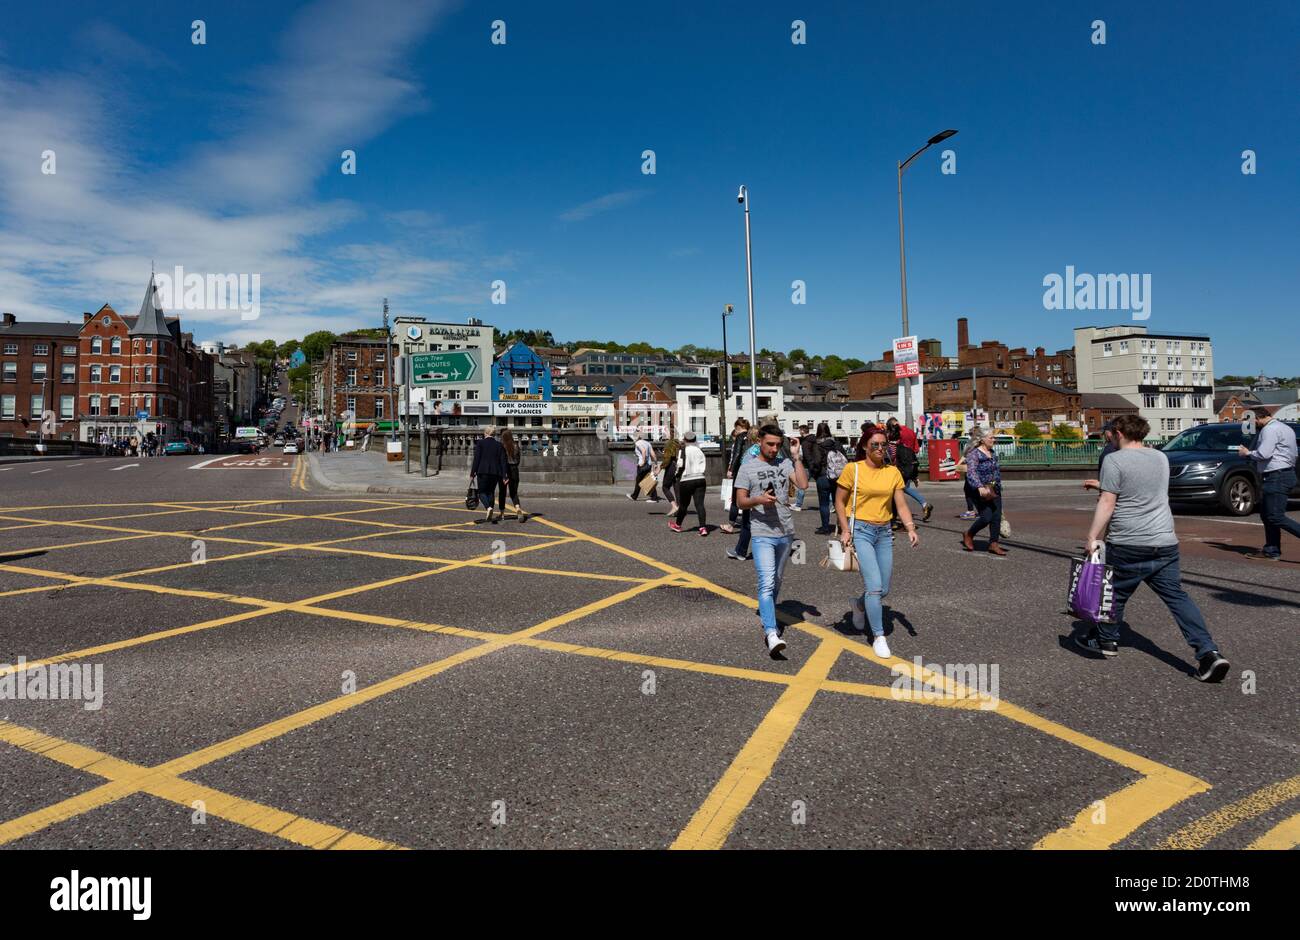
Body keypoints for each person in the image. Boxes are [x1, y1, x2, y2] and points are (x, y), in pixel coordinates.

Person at [1079, 414, 1230, 682]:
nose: (1106, 437)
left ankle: (1107, 641)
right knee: (1177, 598)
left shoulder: (1113, 460)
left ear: (1117, 432)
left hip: (1129, 540)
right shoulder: (1160, 457)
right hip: (1164, 541)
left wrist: (1092, 536)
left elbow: (1108, 502)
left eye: (1108, 433)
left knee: (1113, 593)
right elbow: (1143, 488)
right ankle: (1208, 653)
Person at [835, 427, 919, 658]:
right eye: (875, 445)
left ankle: (858, 604)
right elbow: (839, 501)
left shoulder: (892, 472)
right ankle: (879, 636)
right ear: (864, 446)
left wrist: (910, 528)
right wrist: (845, 529)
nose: (881, 449)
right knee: (874, 586)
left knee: (884, 589)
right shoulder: (854, 469)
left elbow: (900, 504)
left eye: (884, 445)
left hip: (884, 532)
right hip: (860, 530)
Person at [733, 424, 809, 657]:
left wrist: (796, 457)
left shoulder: (785, 463)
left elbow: (803, 484)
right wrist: (758, 499)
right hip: (762, 532)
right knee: (766, 582)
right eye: (770, 444)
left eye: (778, 445)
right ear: (760, 443)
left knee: (776, 580)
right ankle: (771, 632)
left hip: (786, 532)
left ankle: (768, 611)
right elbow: (740, 502)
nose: (775, 449)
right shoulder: (748, 467)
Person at [1237, 405, 1300, 560]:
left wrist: (1247, 453)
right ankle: (1271, 550)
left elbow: (1264, 453)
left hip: (1276, 476)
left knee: (1275, 516)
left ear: (1258, 418)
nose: (1252, 425)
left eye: (1252, 422)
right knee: (1267, 515)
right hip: (1284, 473)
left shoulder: (1269, 430)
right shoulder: (1284, 427)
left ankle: (1272, 550)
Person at [962, 428, 1006, 555]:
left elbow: (995, 471)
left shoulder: (992, 452)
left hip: (993, 489)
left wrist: (997, 485)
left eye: (993, 437)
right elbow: (972, 472)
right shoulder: (974, 454)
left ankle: (993, 544)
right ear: (982, 439)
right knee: (986, 517)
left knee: (996, 517)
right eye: (991, 437)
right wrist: (979, 486)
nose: (994, 440)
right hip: (978, 490)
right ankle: (969, 534)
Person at [726, 426, 762, 560]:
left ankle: (740, 551)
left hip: (753, 491)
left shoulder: (751, 451)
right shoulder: (771, 451)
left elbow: (745, 471)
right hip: (767, 490)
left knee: (747, 522)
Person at [886, 422, 933, 523]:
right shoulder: (910, 432)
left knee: (896, 494)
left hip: (896, 471)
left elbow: (889, 459)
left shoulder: (890, 445)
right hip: (907, 468)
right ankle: (924, 504)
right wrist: (914, 476)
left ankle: (893, 520)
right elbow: (916, 450)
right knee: (904, 489)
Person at [670, 431, 709, 535]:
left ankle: (678, 525)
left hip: (686, 479)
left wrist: (677, 475)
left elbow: (680, 464)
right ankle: (703, 528)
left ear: (685, 440)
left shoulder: (683, 450)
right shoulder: (699, 450)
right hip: (700, 478)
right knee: (700, 504)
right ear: (695, 440)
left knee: (683, 505)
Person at [809, 421, 844, 535]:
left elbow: (817, 461)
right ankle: (842, 526)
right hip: (838, 476)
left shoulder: (817, 445)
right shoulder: (836, 443)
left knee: (824, 503)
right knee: (838, 502)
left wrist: (814, 472)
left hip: (823, 476)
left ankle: (825, 527)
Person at [470, 426, 510, 524]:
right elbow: (503, 462)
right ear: (493, 434)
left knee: (481, 492)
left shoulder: (480, 443)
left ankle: (488, 508)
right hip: (495, 473)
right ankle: (491, 508)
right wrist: (504, 476)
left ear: (485, 433)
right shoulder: (499, 445)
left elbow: (477, 459)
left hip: (482, 471)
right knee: (491, 492)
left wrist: (472, 472)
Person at [720, 418, 751, 534]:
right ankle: (751, 523)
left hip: (741, 471)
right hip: (753, 469)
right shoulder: (752, 436)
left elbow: (737, 454)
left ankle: (731, 524)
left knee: (735, 498)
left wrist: (731, 470)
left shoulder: (739, 437)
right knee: (750, 497)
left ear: (738, 427)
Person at [954, 425, 984, 520]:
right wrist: (958, 465)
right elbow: (965, 456)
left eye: (971, 433)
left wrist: (958, 464)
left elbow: (967, 455)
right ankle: (976, 510)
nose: (971, 435)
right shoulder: (974, 442)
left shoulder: (976, 443)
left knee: (972, 490)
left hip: (974, 469)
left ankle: (976, 511)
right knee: (970, 489)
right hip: (973, 469)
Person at [499, 429, 528, 522]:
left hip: (504, 470)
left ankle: (502, 514)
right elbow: (518, 460)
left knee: (502, 492)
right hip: (514, 469)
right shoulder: (515, 445)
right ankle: (518, 508)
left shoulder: (501, 446)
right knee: (514, 492)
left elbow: (499, 460)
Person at [1083, 422, 1118, 492]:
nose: (1103, 436)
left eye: (1103, 434)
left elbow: (1110, 482)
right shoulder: (1125, 448)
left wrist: (1100, 486)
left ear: (1108, 434)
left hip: (1110, 495)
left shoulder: (1109, 451)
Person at [627, 433, 661, 502]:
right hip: (649, 465)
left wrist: (643, 462)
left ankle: (634, 496)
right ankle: (653, 497)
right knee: (648, 480)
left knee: (639, 481)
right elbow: (653, 454)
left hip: (642, 465)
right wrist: (656, 463)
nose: (633, 439)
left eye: (634, 437)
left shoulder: (638, 443)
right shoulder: (647, 443)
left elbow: (643, 451)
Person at [660, 433, 682, 516]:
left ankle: (674, 506)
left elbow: (667, 458)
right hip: (678, 467)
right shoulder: (678, 444)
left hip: (671, 467)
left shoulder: (669, 444)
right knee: (677, 489)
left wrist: (660, 467)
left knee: (665, 487)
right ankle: (679, 509)